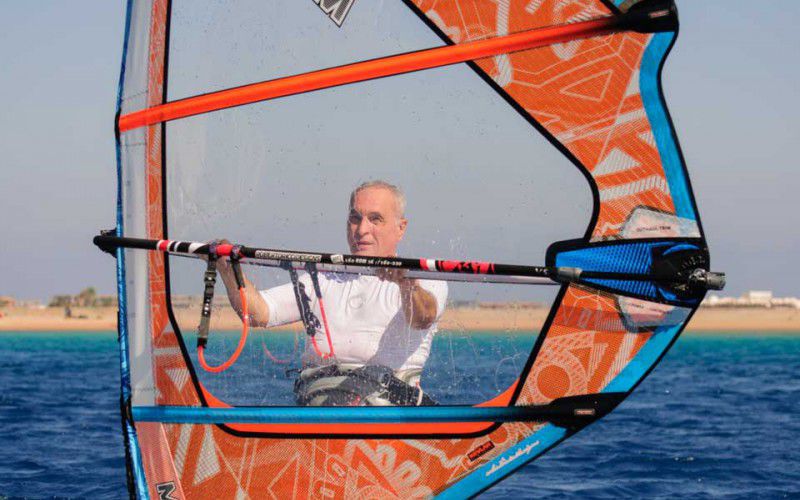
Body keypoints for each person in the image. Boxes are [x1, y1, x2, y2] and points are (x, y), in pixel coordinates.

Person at [217, 180, 448, 406]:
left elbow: (422, 318)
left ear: (400, 228)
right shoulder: (323, 279)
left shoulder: (424, 278)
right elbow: (259, 313)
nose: (362, 230)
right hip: (321, 413)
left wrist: (406, 284)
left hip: (388, 415)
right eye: (355, 219)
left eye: (375, 219)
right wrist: (227, 268)